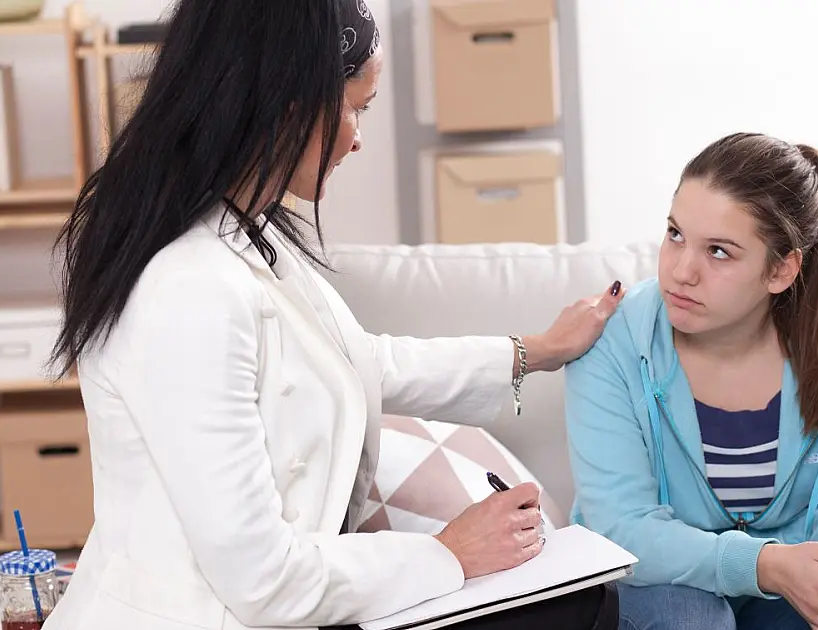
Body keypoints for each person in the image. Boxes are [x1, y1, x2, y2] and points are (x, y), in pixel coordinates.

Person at [41, 2, 623, 629]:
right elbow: (264, 583)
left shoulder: (244, 238)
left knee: (582, 601)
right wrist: (449, 555)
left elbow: (363, 362)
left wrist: (535, 351)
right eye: (353, 106)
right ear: (285, 107)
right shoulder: (186, 291)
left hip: (295, 603)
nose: (357, 135)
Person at [563, 132, 818, 630]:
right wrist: (764, 564)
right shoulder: (614, 340)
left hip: (788, 585)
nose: (681, 271)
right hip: (660, 584)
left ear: (781, 270)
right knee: (692, 620)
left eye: (719, 252)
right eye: (675, 234)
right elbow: (621, 528)